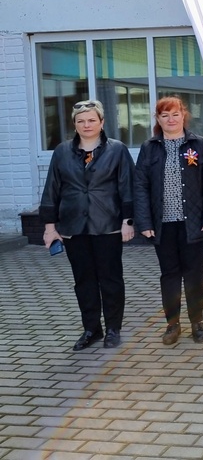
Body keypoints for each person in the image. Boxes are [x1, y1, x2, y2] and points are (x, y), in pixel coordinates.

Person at [40, 100, 135, 351]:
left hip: (108, 225)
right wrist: (50, 227)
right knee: (83, 281)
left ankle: (113, 328)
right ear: (74, 124)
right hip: (73, 227)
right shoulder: (62, 152)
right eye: (81, 121)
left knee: (111, 280)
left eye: (92, 120)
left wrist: (128, 221)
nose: (86, 125)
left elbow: (128, 187)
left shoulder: (117, 150)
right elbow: (51, 190)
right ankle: (91, 329)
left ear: (102, 122)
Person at [134, 97, 203, 346]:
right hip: (162, 225)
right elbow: (140, 186)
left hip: (193, 223)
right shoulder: (149, 148)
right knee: (169, 275)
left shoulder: (199, 144)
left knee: (194, 274)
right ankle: (172, 324)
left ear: (184, 115)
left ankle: (197, 322)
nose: (170, 119)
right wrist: (144, 222)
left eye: (175, 114)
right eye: (164, 115)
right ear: (158, 119)